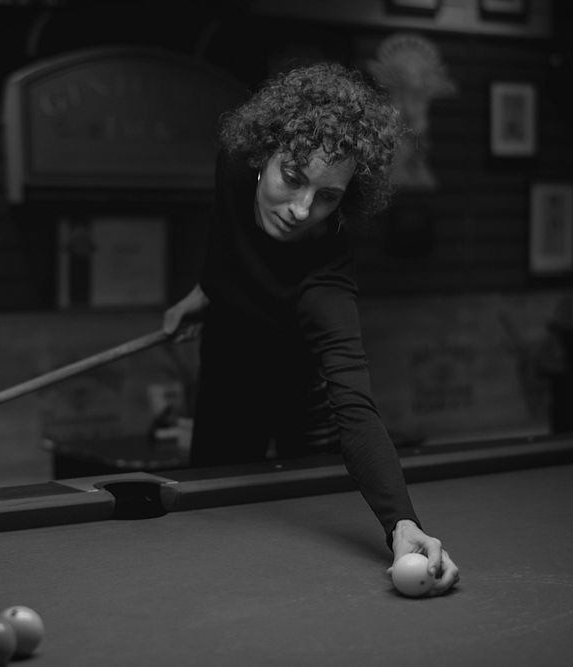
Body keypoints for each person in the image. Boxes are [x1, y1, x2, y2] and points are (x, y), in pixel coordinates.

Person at [162, 61, 460, 596]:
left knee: (302, 503)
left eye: (328, 197)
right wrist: (209, 289)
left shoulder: (327, 278)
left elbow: (354, 401)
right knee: (206, 513)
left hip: (301, 385)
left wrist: (402, 523)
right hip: (229, 354)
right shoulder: (235, 160)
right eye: (293, 179)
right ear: (262, 155)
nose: (302, 210)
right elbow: (225, 234)